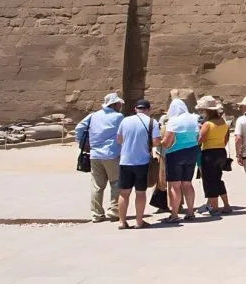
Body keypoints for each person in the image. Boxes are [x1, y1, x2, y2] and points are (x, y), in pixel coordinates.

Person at [74, 92, 125, 223]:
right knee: (116, 182)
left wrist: (82, 144)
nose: (120, 106)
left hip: (95, 155)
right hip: (112, 154)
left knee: (97, 186)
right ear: (114, 104)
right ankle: (113, 211)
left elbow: (79, 128)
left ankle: (97, 214)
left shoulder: (93, 116)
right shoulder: (118, 117)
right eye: (119, 104)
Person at [116, 99, 160, 229]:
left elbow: (119, 139)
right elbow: (156, 142)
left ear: (135, 109)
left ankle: (122, 222)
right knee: (140, 193)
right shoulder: (152, 122)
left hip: (125, 161)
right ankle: (139, 221)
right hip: (142, 161)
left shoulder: (125, 121)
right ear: (148, 109)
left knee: (124, 193)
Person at [160, 98, 200, 223]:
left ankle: (174, 214)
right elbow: (197, 136)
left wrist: (159, 142)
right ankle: (190, 212)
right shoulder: (194, 119)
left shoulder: (173, 121)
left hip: (175, 154)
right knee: (187, 183)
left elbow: (167, 143)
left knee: (175, 185)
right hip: (192, 153)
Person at [196, 96, 232, 216]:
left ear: (207, 111)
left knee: (209, 181)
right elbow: (226, 139)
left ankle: (214, 207)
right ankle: (226, 205)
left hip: (209, 154)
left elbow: (200, 140)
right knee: (218, 179)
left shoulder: (207, 124)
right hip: (221, 151)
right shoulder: (223, 122)